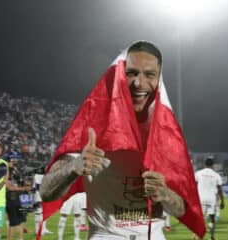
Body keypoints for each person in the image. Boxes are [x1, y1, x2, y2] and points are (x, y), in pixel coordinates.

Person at [40, 41, 195, 240]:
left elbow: (181, 209)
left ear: (159, 79)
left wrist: (165, 194)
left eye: (149, 74)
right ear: (119, 75)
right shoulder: (91, 125)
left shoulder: (165, 135)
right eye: (131, 73)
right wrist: (74, 167)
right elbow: (46, 192)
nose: (139, 83)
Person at [195, 157, 225, 240]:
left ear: (204, 164)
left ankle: (198, 236)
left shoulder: (198, 173)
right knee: (212, 218)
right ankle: (211, 237)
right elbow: (220, 189)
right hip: (212, 199)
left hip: (201, 198)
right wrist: (222, 201)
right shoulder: (216, 175)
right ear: (213, 165)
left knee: (200, 219)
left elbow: (193, 185)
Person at [5, 156, 32, 240]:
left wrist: (27, 186)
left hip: (22, 197)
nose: (14, 162)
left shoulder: (16, 170)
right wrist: (24, 188)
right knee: (13, 220)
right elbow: (9, 187)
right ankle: (12, 238)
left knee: (21, 219)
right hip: (13, 197)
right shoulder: (8, 171)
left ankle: (20, 237)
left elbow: (23, 182)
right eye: (12, 161)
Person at [33, 166, 53, 235]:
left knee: (44, 212)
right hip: (38, 195)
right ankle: (37, 230)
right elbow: (36, 187)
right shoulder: (37, 176)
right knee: (38, 212)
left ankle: (44, 229)